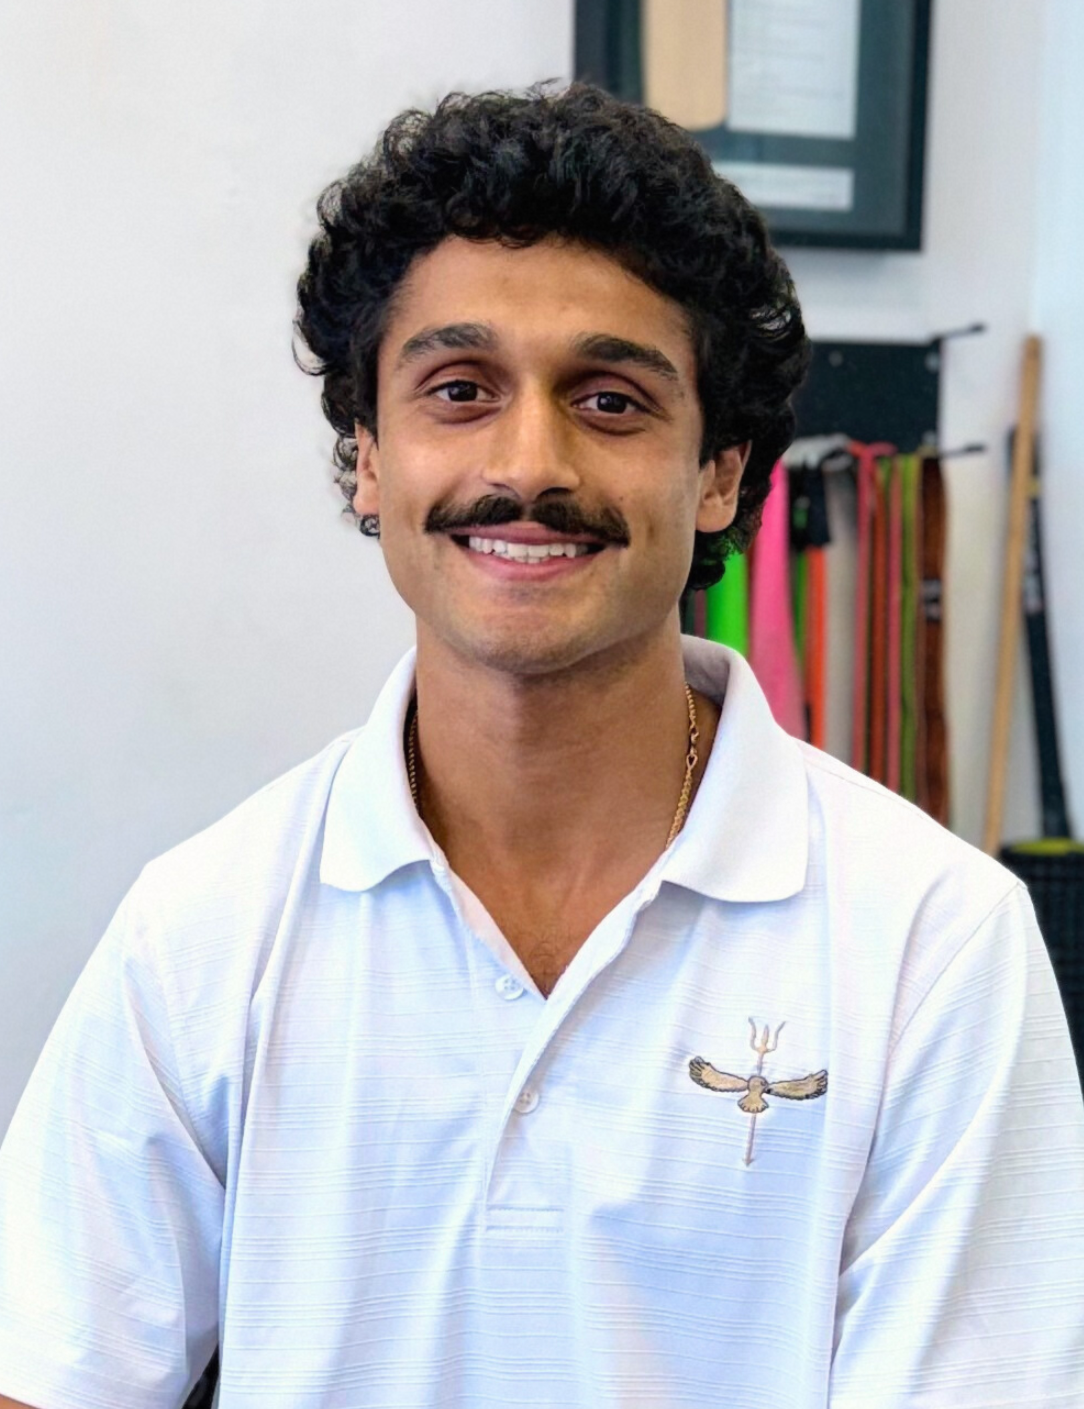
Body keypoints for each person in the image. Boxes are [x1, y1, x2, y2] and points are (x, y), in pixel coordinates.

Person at [1, 82, 1083, 1409]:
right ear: (366, 457)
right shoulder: (202, 933)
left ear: (721, 476)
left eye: (613, 401)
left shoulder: (936, 946)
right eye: (459, 389)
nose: (531, 460)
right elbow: (48, 1368)